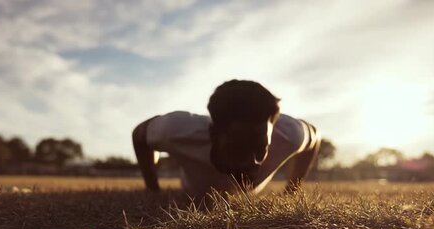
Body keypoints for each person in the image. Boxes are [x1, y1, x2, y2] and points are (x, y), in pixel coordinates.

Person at [132, 79, 321, 201]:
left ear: (273, 131)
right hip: (192, 188)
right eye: (238, 148)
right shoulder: (176, 130)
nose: (249, 162)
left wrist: (291, 191)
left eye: (259, 147)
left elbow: (315, 136)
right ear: (212, 133)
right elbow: (139, 135)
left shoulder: (289, 134)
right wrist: (153, 189)